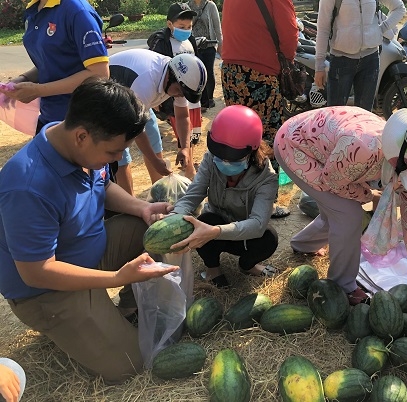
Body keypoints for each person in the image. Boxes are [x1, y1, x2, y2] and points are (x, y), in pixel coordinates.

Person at [0, 78, 179, 383]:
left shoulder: (73, 140)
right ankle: (67, 321)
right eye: (113, 153)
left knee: (152, 228)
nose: (116, 159)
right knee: (129, 366)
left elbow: (103, 185)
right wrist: (116, 278)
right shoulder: (28, 186)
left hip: (86, 253)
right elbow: (37, 272)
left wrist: (142, 208)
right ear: (82, 136)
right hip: (46, 291)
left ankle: (121, 308)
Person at [275, 106, 407, 331]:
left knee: (335, 208)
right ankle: (343, 286)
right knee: (347, 212)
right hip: (294, 146)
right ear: (406, 163)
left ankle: (302, 244)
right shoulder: (363, 148)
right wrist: (368, 195)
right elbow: (331, 181)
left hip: (332, 155)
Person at [167, 105, 279, 288]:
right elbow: (193, 195)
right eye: (220, 157)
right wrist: (174, 216)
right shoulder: (211, 158)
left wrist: (216, 231)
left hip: (243, 235)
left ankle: (247, 265)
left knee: (268, 238)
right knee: (205, 219)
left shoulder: (267, 178)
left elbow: (258, 224)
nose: (223, 163)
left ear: (251, 152)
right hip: (213, 228)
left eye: (232, 160)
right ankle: (213, 269)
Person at [221, 0, 298, 218]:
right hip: (260, 73)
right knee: (267, 138)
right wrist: (287, 60)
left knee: (237, 136)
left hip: (230, 72)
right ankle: (266, 204)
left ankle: (236, 199)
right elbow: (289, 33)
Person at [0, 0, 109, 133]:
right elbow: (51, 61)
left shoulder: (77, 11)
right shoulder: (34, 10)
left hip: (85, 122)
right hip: (50, 118)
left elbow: (99, 74)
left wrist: (38, 90)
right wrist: (22, 79)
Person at [109, 49, 207, 195]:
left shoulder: (178, 81)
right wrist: (155, 161)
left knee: (154, 140)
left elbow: (182, 117)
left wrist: (185, 148)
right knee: (120, 153)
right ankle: (128, 203)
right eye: (180, 91)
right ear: (170, 77)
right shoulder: (146, 81)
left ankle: (160, 196)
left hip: (137, 101)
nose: (180, 95)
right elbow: (137, 131)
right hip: (113, 103)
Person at [314, 0, 406, 111]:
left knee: (364, 114)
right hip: (341, 61)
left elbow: (399, 8)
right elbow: (323, 28)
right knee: (335, 114)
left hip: (370, 59)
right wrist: (319, 65)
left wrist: (380, 29)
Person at [148, 2, 203, 180]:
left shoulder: (190, 40)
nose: (186, 30)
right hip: (173, 96)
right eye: (181, 27)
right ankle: (187, 167)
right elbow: (157, 75)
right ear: (169, 24)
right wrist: (157, 102)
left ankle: (189, 162)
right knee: (180, 128)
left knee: (192, 130)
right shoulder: (162, 43)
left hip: (192, 96)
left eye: (189, 27)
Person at [188, 0, 222, 112]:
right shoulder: (187, 6)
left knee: (208, 72)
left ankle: (209, 99)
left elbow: (217, 27)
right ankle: (201, 100)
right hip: (194, 46)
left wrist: (220, 45)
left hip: (209, 45)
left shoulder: (210, 6)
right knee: (197, 73)